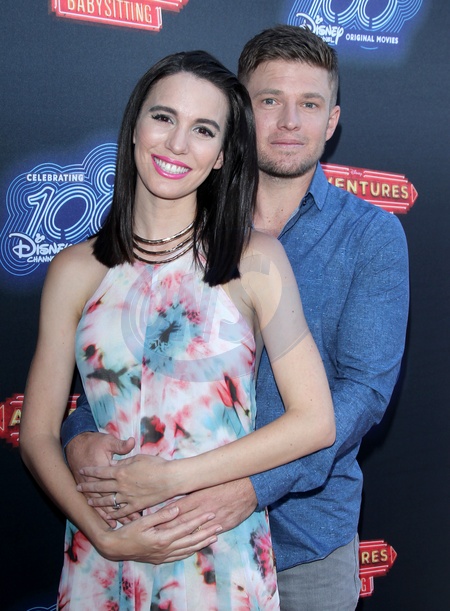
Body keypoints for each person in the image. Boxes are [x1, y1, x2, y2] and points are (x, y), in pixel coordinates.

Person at [62, 26, 409, 610]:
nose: (290, 121)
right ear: (239, 114)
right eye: (270, 100)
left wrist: (250, 487)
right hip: (159, 536)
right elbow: (113, 370)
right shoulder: (169, 217)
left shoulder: (370, 236)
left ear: (332, 121)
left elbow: (364, 393)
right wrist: (77, 440)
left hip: (305, 541)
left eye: (310, 104)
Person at [20, 49, 335, 610]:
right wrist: (104, 537)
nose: (177, 144)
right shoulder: (74, 270)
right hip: (101, 554)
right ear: (135, 126)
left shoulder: (255, 261)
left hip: (215, 553)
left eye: (203, 130)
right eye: (164, 117)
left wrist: (174, 479)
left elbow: (314, 421)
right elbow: (38, 434)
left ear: (221, 156)